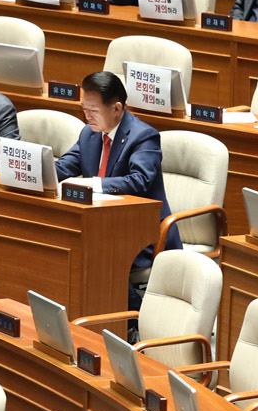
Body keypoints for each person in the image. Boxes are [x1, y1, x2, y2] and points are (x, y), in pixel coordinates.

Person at [56, 71, 174, 295]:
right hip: (102, 227)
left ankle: (136, 321)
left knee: (91, 256)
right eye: (84, 108)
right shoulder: (88, 134)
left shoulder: (143, 137)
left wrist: (95, 184)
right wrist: (35, 171)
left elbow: (139, 180)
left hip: (141, 233)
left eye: (93, 110)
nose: (86, 115)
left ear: (117, 109)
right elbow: (65, 166)